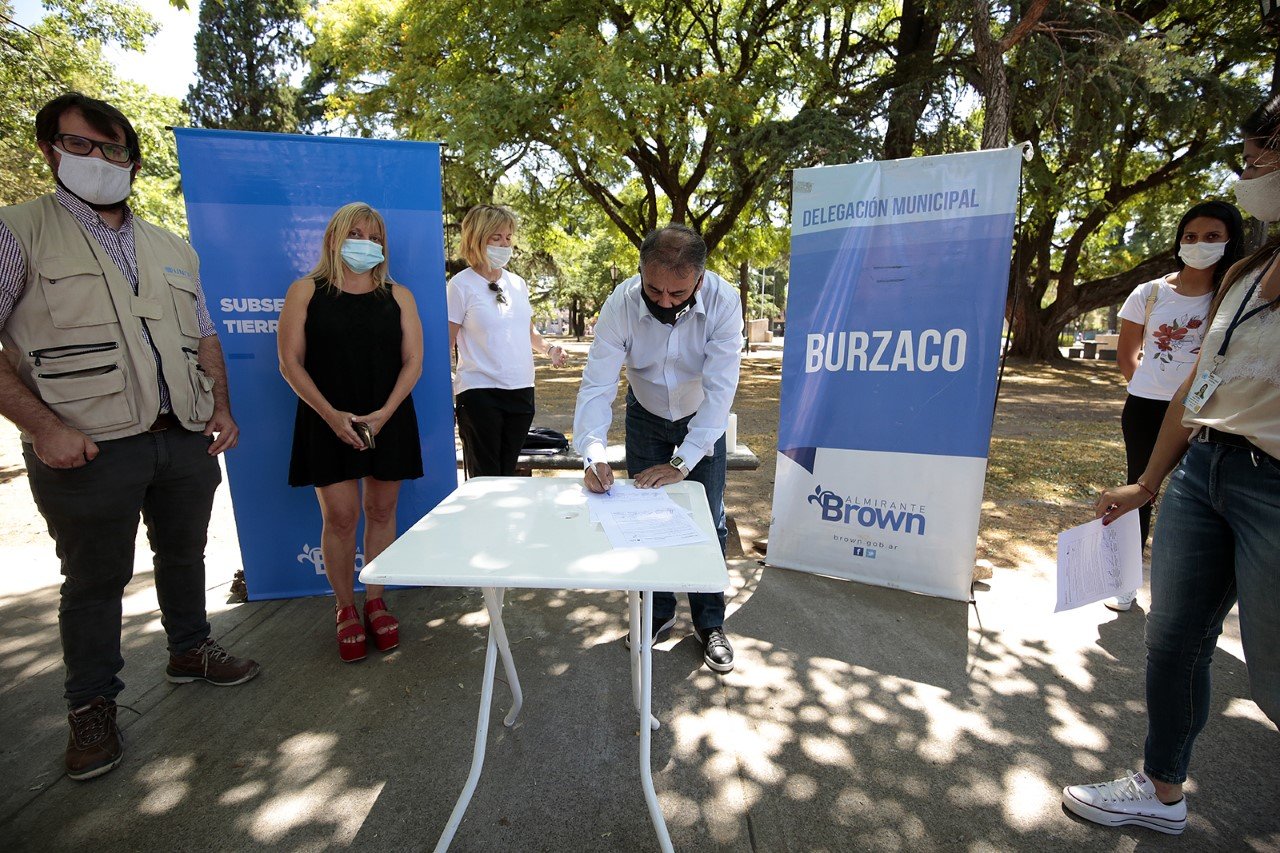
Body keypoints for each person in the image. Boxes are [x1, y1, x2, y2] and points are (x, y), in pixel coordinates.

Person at [0, 93, 260, 781]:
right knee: (93, 581)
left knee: (185, 554)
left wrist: (222, 408)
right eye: (80, 145)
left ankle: (190, 649)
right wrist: (43, 427)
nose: (100, 161)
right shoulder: (17, 231)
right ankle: (91, 708)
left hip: (182, 438)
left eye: (114, 150)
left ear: (133, 161)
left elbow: (203, 335)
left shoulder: (172, 246)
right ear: (49, 149)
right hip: (85, 447)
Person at [1062, 95, 1280, 835]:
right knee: (1174, 640)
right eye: (1248, 156)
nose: (1251, 171)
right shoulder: (1248, 274)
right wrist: (1149, 481)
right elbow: (1197, 383)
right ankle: (1161, 791)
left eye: (1264, 156)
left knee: (1275, 674)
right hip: (1200, 470)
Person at [574, 225, 743, 673]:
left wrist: (682, 461)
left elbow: (721, 391)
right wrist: (593, 455)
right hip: (645, 410)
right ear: (640, 272)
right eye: (654, 290)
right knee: (646, 517)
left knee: (708, 518)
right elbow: (597, 386)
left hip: (701, 414)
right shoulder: (620, 305)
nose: (665, 301)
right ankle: (659, 612)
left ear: (700, 281)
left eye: (678, 292)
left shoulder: (725, 304)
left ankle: (710, 624)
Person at [278, 202, 424, 663]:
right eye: (356, 232)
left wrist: (383, 414)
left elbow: (414, 361)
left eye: (375, 235)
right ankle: (345, 608)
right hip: (327, 421)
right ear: (334, 238)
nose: (366, 241)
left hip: (389, 417)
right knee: (340, 518)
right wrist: (330, 415)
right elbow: (289, 364)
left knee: (382, 509)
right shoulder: (305, 291)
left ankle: (376, 597)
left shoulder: (399, 295)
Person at [1106, 200, 1244, 612]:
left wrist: (1187, 403)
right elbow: (1128, 352)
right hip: (1146, 408)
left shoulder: (1234, 297)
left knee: (1199, 496)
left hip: (1207, 413)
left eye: (1212, 237)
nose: (1200, 244)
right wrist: (1149, 387)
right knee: (1140, 487)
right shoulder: (1149, 293)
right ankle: (1126, 581)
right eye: (1191, 236)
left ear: (1229, 242)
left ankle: (1195, 595)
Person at [447, 204, 567, 477]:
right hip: (480, 394)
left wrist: (549, 349)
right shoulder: (460, 285)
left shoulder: (518, 284)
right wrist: (448, 393)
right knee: (486, 479)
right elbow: (447, 342)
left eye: (508, 237)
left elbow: (528, 332)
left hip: (522, 392)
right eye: (496, 237)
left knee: (511, 474)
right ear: (477, 239)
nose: (505, 244)